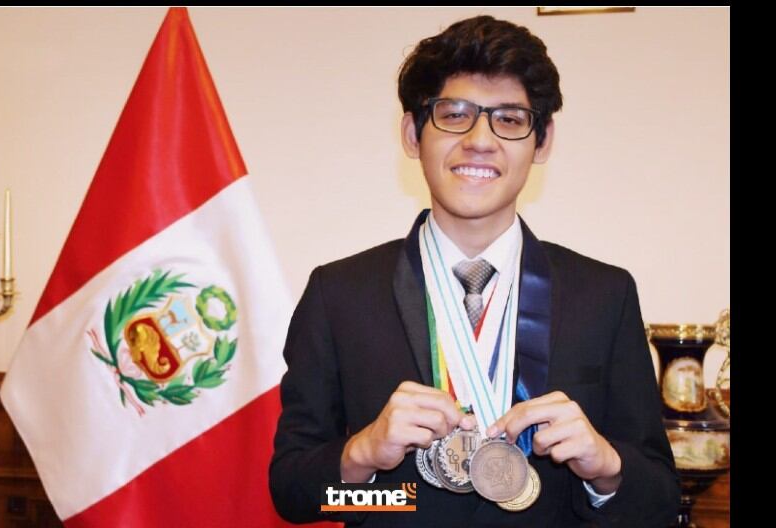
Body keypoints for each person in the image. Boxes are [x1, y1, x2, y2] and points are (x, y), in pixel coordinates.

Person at [269, 15, 679, 527]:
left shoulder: (604, 294)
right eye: (454, 114)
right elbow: (293, 496)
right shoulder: (339, 294)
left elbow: (660, 502)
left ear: (543, 140)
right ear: (412, 134)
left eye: (509, 119)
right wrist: (364, 457)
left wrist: (606, 469)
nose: (480, 140)